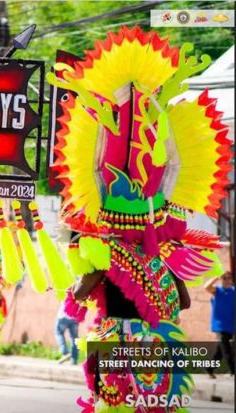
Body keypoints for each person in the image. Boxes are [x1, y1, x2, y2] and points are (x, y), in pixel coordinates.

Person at [49, 26, 231, 412]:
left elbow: (79, 297)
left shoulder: (110, 257)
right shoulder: (159, 259)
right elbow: (181, 301)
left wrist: (86, 261)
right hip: (158, 340)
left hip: (119, 339)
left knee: (115, 405)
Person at [204, 271, 235, 377]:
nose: (227, 280)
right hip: (219, 326)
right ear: (221, 280)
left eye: (229, 278)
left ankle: (209, 368)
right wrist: (217, 276)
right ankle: (233, 371)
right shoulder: (217, 291)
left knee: (220, 351)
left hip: (231, 326)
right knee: (227, 349)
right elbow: (206, 286)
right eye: (224, 278)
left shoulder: (234, 291)